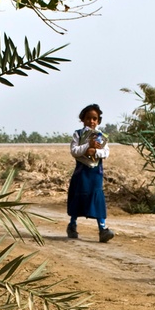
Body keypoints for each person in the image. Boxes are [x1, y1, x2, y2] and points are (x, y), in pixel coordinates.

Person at [66, 104, 114, 243]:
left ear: (98, 121)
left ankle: (102, 229)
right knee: (78, 198)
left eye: (94, 119)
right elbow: (74, 151)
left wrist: (95, 152)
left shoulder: (101, 137)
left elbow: (106, 152)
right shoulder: (78, 134)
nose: (91, 121)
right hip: (81, 173)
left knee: (97, 198)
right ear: (83, 119)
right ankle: (72, 225)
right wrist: (87, 146)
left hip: (95, 173)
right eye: (88, 118)